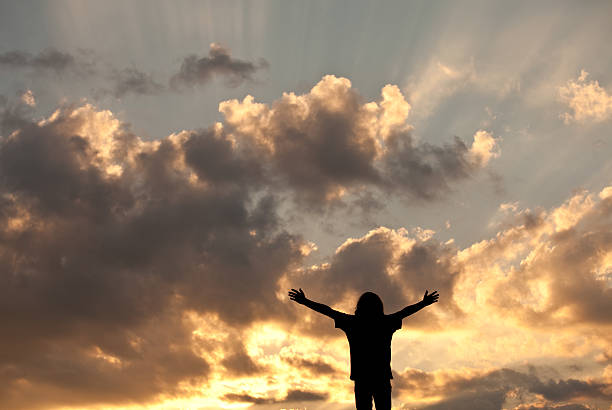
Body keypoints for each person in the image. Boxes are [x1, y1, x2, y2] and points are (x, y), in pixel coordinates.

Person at [288, 288, 439, 410]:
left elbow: (328, 311)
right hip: (381, 377)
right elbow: (406, 311)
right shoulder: (385, 322)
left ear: (359, 307)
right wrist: (423, 303)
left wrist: (305, 301)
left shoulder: (353, 323)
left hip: (362, 378)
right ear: (379, 307)